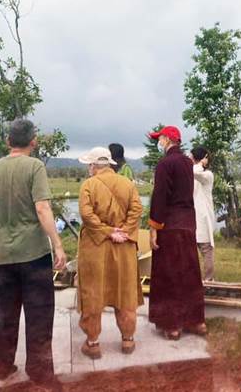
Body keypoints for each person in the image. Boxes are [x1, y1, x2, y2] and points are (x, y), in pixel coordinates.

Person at [0, 119, 67, 388]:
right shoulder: (35, 167)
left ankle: (1, 370)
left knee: (4, 314)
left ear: (8, 142)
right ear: (34, 141)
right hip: (33, 254)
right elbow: (42, 208)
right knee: (39, 314)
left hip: (4, 254)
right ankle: (40, 372)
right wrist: (58, 244)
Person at [77, 147, 144, 359]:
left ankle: (93, 343)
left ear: (93, 166)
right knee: (125, 292)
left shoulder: (88, 185)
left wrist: (107, 231)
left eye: (89, 164)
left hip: (96, 247)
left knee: (93, 293)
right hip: (124, 246)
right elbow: (137, 210)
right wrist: (123, 231)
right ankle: (127, 340)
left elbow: (86, 214)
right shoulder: (128, 184)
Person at [147, 125, 206, 341]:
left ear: (167, 139)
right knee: (189, 271)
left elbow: (160, 196)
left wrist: (154, 227)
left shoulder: (165, 164)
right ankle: (196, 321)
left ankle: (172, 325)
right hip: (188, 223)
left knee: (168, 273)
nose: (158, 142)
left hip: (170, 225)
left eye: (159, 138)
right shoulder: (187, 163)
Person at [190, 146, 215, 281]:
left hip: (199, 217)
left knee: (203, 251)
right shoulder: (200, 173)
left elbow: (196, 174)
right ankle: (203, 281)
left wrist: (198, 163)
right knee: (203, 251)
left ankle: (206, 280)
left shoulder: (206, 175)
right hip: (198, 217)